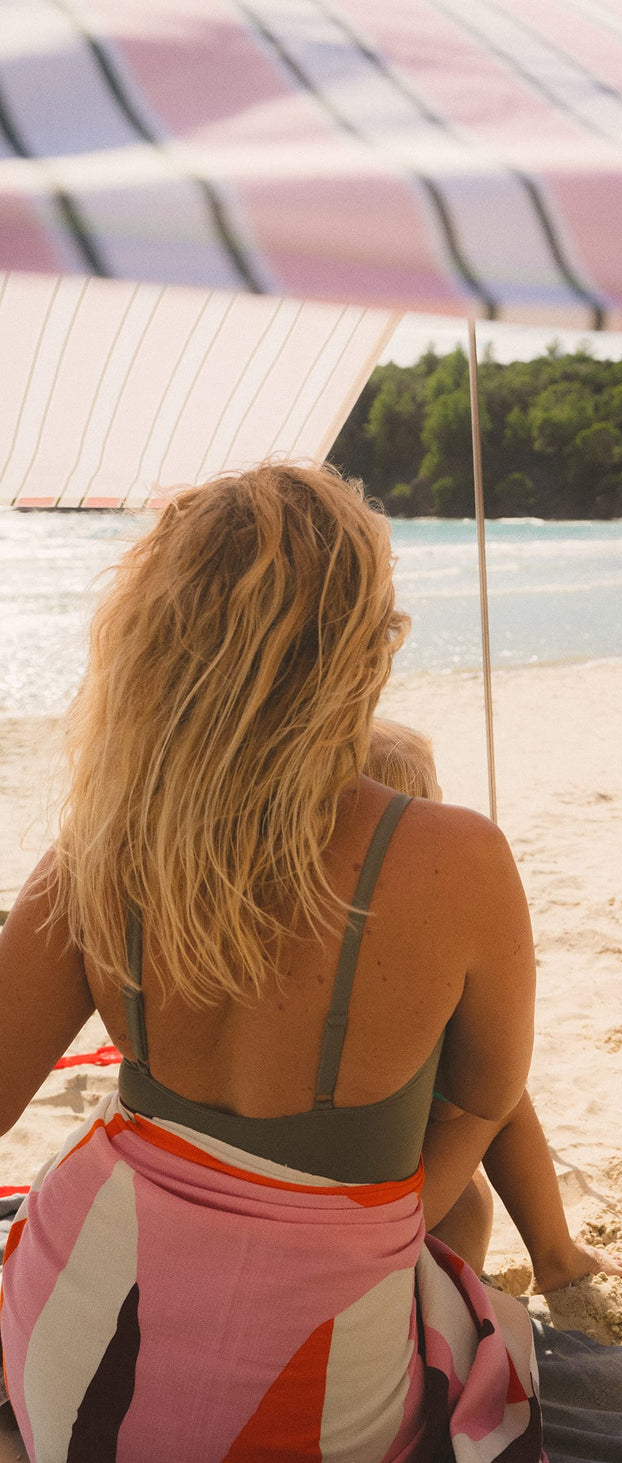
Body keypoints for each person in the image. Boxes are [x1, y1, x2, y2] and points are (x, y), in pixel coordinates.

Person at [0, 463, 543, 1461]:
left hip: (72, 1345)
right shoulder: (457, 856)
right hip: (314, 1395)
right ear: (358, 648)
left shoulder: (105, 840)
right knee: (482, 1339)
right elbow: (483, 1099)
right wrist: (364, 1226)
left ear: (159, 639)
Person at [366, 717, 622, 1295]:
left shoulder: (329, 928)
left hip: (303, 1186)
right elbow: (460, 1105)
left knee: (468, 1197)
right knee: (503, 1101)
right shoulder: (421, 942)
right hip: (374, 1210)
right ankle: (557, 1256)